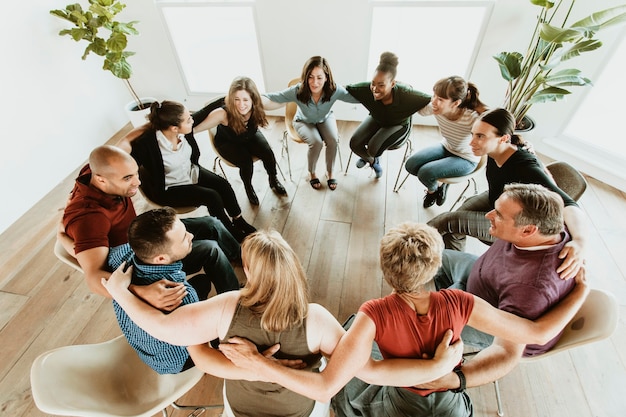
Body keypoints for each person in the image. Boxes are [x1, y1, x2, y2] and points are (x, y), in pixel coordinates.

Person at [215, 222, 589, 417]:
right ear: (437, 266)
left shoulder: (371, 316)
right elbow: (539, 330)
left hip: (403, 401)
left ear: (385, 270)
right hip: (447, 401)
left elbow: (363, 374)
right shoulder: (461, 302)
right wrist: (580, 293)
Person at [420, 183, 583, 394]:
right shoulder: (552, 227)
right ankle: (444, 304)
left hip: (492, 320)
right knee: (425, 254)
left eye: (498, 214)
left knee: (411, 330)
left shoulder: (530, 289)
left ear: (528, 230)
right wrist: (582, 240)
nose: (488, 215)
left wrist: (456, 379)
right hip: (479, 279)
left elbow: (506, 351)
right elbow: (570, 205)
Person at [61, 145, 240, 311]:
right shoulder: (90, 218)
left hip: (141, 232)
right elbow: (94, 278)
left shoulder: (95, 171)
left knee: (211, 224)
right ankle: (234, 303)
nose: (138, 182)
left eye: (135, 174)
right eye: (128, 178)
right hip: (141, 259)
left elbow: (123, 145)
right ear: (101, 180)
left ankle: (243, 259)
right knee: (211, 249)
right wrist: (141, 291)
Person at [427, 108, 588, 280]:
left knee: (448, 221)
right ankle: (454, 269)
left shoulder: (525, 166)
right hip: (500, 199)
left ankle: (407, 244)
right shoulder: (496, 149)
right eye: (473, 134)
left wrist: (580, 241)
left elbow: (568, 204)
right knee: (458, 217)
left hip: (514, 222)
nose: (472, 142)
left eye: (480, 136)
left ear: (503, 138)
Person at [116, 100, 256, 242]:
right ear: (174, 128)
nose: (192, 120)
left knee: (223, 185)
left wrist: (228, 98)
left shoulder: (184, 131)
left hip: (190, 172)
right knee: (212, 197)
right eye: (188, 119)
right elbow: (123, 162)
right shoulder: (147, 144)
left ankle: (238, 220)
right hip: (169, 187)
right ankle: (228, 232)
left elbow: (204, 111)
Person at [108, 207, 205, 374]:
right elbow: (199, 345)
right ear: (161, 258)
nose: (191, 236)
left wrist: (64, 238)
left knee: (202, 282)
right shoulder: (181, 294)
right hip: (178, 361)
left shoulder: (124, 257)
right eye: (184, 238)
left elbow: (102, 258)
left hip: (147, 353)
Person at [262, 56, 359, 190]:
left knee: (333, 140)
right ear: (305, 77)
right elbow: (273, 97)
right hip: (303, 121)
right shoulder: (297, 90)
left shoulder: (335, 90)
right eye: (310, 77)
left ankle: (330, 171)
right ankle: (312, 173)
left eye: (319, 77)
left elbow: (354, 97)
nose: (314, 82)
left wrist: (377, 93)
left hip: (325, 118)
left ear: (326, 77)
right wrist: (250, 101)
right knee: (316, 142)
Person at [193, 76, 287, 206]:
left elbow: (282, 100)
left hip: (249, 136)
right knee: (246, 162)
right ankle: (248, 187)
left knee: (267, 152)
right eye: (236, 99)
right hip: (228, 142)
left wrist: (297, 96)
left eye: (245, 100)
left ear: (253, 99)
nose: (241, 105)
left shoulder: (258, 104)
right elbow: (196, 128)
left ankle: (273, 179)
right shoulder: (223, 113)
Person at [404, 76, 487, 208]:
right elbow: (419, 109)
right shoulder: (435, 107)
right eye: (434, 96)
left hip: (466, 158)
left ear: (455, 103)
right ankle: (439, 184)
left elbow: (489, 135)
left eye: (440, 99)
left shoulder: (471, 118)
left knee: (425, 173)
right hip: (447, 146)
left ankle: (433, 191)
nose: (434, 101)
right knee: (411, 165)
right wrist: (404, 88)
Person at [346, 52, 431, 178]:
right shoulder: (367, 89)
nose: (375, 88)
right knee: (354, 143)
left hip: (398, 125)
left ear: (392, 84)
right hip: (378, 119)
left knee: (373, 148)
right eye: (373, 83)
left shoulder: (407, 94)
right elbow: (342, 89)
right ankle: (372, 161)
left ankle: (370, 156)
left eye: (381, 85)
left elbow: (434, 101)